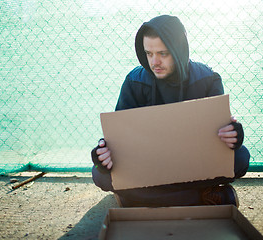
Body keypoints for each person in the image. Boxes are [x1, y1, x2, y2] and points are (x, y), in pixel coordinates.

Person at [91, 15, 250, 207]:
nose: (154, 62)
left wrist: (233, 136)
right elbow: (119, 142)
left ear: (179, 50)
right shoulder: (134, 82)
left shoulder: (208, 80)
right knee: (100, 174)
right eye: (148, 53)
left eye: (162, 53)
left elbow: (221, 139)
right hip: (149, 166)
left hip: (194, 165)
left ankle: (136, 198)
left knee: (241, 157)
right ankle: (202, 197)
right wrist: (104, 155)